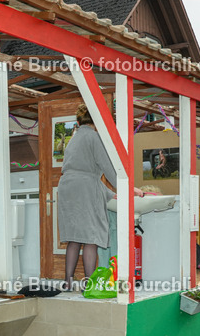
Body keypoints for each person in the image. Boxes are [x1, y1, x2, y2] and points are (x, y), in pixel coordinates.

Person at [58, 103, 143, 287]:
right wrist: (128, 188)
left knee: (74, 237)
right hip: (84, 189)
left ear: (78, 120)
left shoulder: (74, 139)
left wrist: (111, 194)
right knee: (91, 237)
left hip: (67, 187)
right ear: (96, 120)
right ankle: (90, 284)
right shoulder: (94, 137)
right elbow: (108, 169)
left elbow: (84, 173)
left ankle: (68, 281)